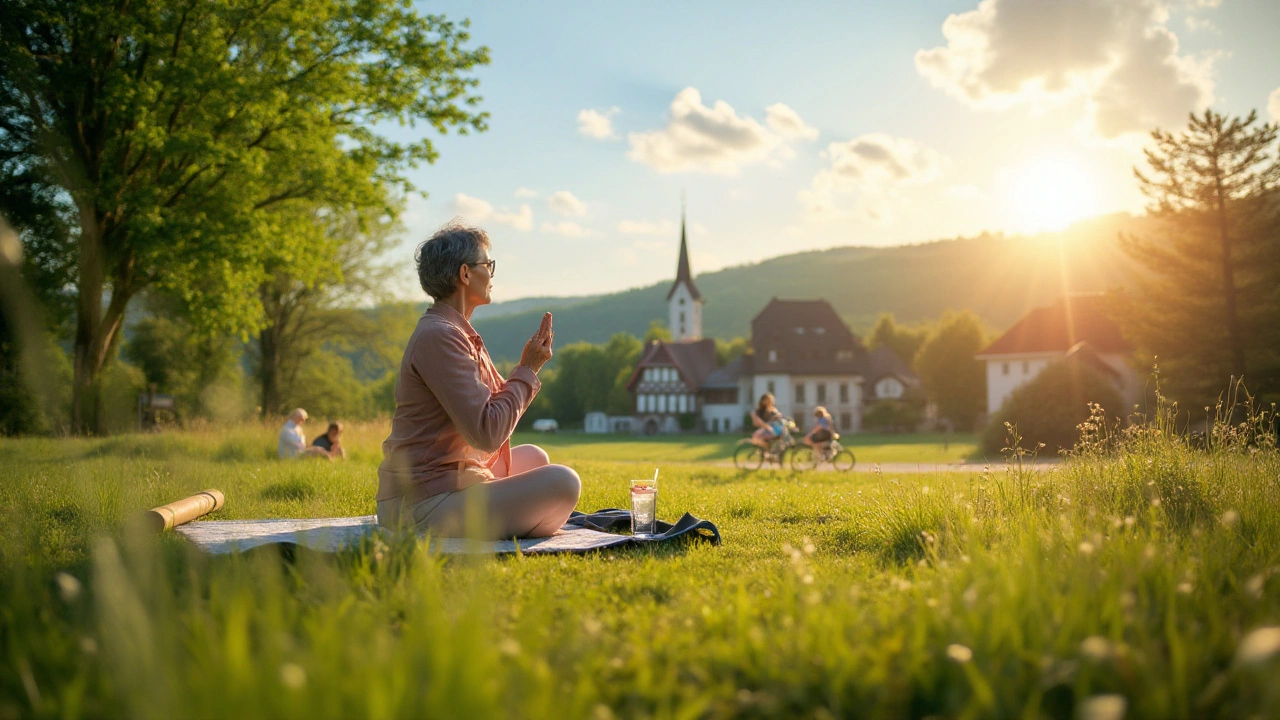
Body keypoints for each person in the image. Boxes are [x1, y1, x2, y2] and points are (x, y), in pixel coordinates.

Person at [376, 221, 580, 539]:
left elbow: (496, 407)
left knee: (536, 458)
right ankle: (525, 522)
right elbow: (488, 433)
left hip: (455, 478)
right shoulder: (440, 337)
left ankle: (518, 515)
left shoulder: (456, 332)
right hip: (419, 501)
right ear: (465, 274)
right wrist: (527, 369)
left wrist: (529, 367)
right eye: (488, 264)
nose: (492, 273)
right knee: (563, 483)